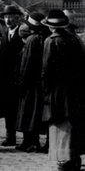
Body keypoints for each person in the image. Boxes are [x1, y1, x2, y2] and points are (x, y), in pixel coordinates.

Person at [42, 9, 85, 171]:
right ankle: (74, 158)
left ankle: (63, 160)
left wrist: (46, 92)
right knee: (73, 125)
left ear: (51, 27)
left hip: (57, 92)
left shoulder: (51, 41)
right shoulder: (74, 39)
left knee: (59, 126)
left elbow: (46, 71)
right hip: (75, 91)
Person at [15, 12, 46, 153]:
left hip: (29, 83)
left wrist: (21, 81)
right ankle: (30, 141)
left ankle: (31, 142)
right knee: (31, 113)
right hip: (36, 83)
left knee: (28, 113)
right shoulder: (40, 38)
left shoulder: (32, 41)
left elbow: (26, 64)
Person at [0, 4, 24, 147]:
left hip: (18, 78)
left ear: (17, 18)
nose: (8, 20)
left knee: (21, 108)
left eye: (11, 17)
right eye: (6, 17)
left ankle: (26, 139)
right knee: (8, 109)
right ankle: (10, 136)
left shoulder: (22, 33)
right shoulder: (5, 33)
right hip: (6, 80)